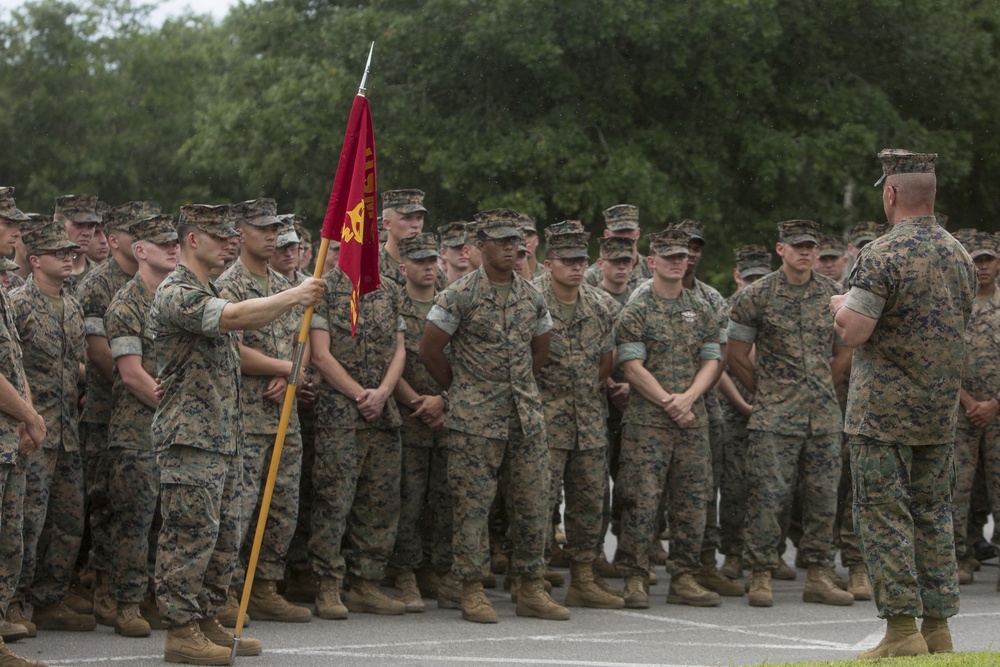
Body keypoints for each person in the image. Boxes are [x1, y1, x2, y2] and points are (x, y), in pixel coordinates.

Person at [150, 203, 324, 665]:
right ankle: (180, 630)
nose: (231, 241)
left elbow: (252, 320)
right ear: (191, 240)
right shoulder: (177, 292)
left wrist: (289, 302)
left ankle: (205, 616)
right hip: (189, 436)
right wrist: (295, 296)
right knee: (188, 533)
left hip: (220, 432)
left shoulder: (204, 286)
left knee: (218, 533)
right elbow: (232, 319)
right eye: (218, 235)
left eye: (233, 234)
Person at [831, 149, 975, 658]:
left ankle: (899, 632)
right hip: (937, 414)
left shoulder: (882, 254)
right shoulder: (959, 253)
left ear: (890, 194)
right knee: (934, 514)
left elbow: (854, 330)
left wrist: (839, 305)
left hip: (883, 415)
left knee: (884, 516)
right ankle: (938, 628)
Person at [421, 208, 566, 624]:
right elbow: (430, 351)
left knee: (532, 504)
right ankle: (471, 588)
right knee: (472, 505)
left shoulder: (532, 296)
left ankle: (531, 586)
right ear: (478, 247)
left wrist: (517, 386)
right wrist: (463, 389)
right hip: (474, 421)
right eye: (501, 241)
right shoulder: (458, 295)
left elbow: (541, 350)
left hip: (524, 417)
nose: (510, 248)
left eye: (515, 241)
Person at [728, 220, 853, 609]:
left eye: (810, 246)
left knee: (822, 498)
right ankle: (761, 573)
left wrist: (821, 385)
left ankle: (818, 573)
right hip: (775, 416)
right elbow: (735, 355)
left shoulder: (835, 295)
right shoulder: (756, 296)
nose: (805, 252)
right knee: (767, 496)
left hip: (822, 416)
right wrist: (766, 392)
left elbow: (845, 350)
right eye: (797, 246)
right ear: (780, 249)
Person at [612, 228, 722, 609]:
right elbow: (631, 365)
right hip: (649, 423)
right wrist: (667, 402)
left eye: (683, 256)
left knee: (692, 501)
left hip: (692, 420)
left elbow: (712, 359)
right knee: (641, 501)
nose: (679, 262)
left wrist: (689, 398)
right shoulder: (637, 306)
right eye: (670, 256)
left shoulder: (702, 307)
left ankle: (685, 576)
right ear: (651, 261)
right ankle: (635, 577)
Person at [215, 198, 313, 625]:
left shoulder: (284, 285)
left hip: (284, 413)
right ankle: (226, 589)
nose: (272, 235)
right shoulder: (228, 286)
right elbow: (230, 348)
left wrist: (296, 368)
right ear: (240, 233)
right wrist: (285, 368)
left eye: (275, 228)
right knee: (239, 505)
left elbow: (303, 341)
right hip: (244, 415)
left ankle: (265, 585)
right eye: (262, 228)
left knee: (282, 504)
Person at [308, 224, 407, 620]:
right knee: (334, 500)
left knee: (380, 500)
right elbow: (320, 355)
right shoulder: (324, 290)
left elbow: (400, 350)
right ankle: (327, 584)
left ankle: (366, 582)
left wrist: (382, 392)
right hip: (339, 414)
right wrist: (358, 395)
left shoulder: (389, 289)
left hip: (383, 412)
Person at [76, 200, 160, 627]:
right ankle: (105, 587)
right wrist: (134, 382)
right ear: (116, 240)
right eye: (135, 231)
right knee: (109, 503)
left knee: (144, 508)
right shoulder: (99, 285)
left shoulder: (162, 284)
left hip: (149, 407)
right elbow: (98, 352)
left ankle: (137, 590)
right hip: (108, 410)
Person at [533, 221, 622, 610]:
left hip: (587, 418)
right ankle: (531, 581)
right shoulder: (529, 301)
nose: (575, 267)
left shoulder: (600, 304)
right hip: (543, 421)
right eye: (567, 260)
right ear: (548, 263)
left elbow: (607, 359)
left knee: (589, 502)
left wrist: (585, 389)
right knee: (538, 504)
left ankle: (583, 578)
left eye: (580, 260)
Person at [10, 223, 91, 633]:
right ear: (35, 260)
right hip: (32, 433)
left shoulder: (72, 305)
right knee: (27, 521)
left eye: (70, 252)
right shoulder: (19, 303)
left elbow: (73, 363)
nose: (69, 257)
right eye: (58, 253)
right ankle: (14, 603)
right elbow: (11, 367)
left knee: (68, 520)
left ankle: (49, 599)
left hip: (67, 432)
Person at [104, 214, 179, 637]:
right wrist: (174, 408)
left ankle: (155, 596)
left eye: (175, 242)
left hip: (172, 431)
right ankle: (127, 602)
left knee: (166, 521)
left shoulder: (177, 297)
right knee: (134, 519)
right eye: (162, 243)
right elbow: (131, 374)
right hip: (137, 432)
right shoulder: (126, 303)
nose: (173, 248)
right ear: (140, 251)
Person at [387, 233, 452, 612]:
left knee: (443, 498)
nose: (429, 267)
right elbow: (387, 359)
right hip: (409, 415)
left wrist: (442, 402)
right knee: (409, 499)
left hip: (445, 416)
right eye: (420, 261)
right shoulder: (392, 304)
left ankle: (435, 568)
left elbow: (466, 358)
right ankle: (406, 573)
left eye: (433, 261)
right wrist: (416, 401)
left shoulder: (450, 306)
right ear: (403, 268)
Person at [0, 186, 49, 667]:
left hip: (8, 437)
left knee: (9, 539)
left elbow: (14, 364)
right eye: (7, 221)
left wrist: (27, 418)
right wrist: (31, 416)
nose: (17, 230)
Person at [716, 244, 771, 581]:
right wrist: (745, 404)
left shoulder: (775, 306)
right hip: (735, 410)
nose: (753, 284)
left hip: (773, 408)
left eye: (759, 278)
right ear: (737, 276)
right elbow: (720, 366)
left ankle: (767, 554)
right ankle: (733, 553)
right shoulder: (724, 310)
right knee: (735, 486)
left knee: (769, 485)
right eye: (748, 277)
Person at [949, 229, 1000, 588]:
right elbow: (940, 359)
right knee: (957, 489)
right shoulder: (953, 304)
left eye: (988, 259)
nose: (981, 267)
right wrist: (969, 401)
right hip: (960, 414)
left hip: (998, 414)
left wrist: (995, 403)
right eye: (976, 260)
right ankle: (958, 558)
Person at [584, 204, 652, 292]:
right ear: (607, 235)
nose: (624, 236)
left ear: (637, 233)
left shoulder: (653, 270)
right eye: (618, 231)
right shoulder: (592, 276)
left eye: (629, 231)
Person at [52, 194, 101, 294]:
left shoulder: (101, 276)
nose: (86, 233)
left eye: (91, 226)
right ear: (57, 226)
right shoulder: (47, 277)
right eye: (79, 225)